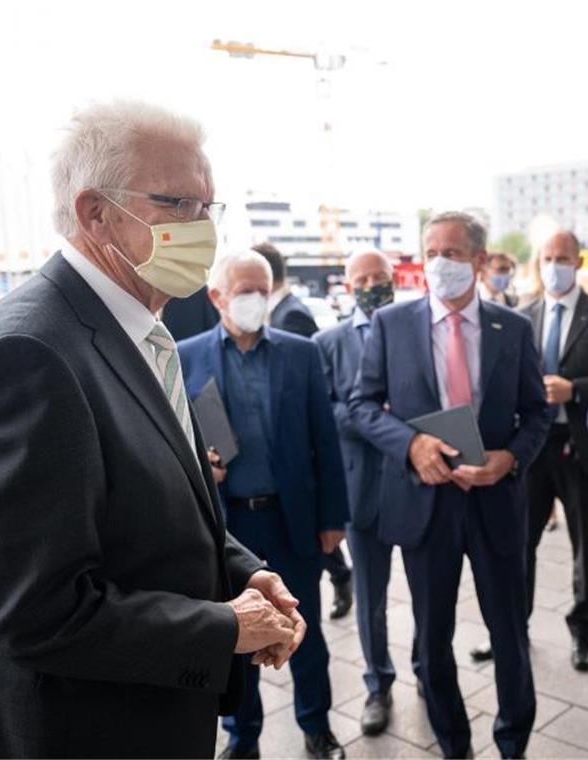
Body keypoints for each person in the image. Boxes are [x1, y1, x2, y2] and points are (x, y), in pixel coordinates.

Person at [0, 100, 305, 759]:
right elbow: (36, 613)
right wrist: (224, 629)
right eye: (178, 204)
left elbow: (152, 513)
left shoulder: (135, 329)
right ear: (94, 213)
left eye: (210, 209)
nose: (204, 231)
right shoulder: (29, 354)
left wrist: (243, 575)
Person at [350, 211, 548, 758]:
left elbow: (536, 414)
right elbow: (362, 405)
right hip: (424, 504)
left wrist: (510, 458)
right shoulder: (392, 324)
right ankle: (453, 743)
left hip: (496, 503)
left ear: (480, 262)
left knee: (509, 632)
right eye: (431, 251)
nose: (440, 263)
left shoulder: (515, 329)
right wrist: (410, 445)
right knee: (431, 640)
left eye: (453, 253)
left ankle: (513, 742)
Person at [178, 249, 350, 760]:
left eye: (262, 289)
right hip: (229, 528)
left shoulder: (300, 353)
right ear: (217, 297)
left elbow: (326, 438)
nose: (255, 300)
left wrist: (332, 520)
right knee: (237, 637)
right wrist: (201, 466)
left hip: (292, 519)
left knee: (307, 633)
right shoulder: (186, 356)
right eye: (244, 290)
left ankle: (316, 726)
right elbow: (176, 441)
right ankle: (243, 735)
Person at [315, 250, 413, 736]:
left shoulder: (416, 329)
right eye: (363, 279)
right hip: (360, 489)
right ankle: (378, 683)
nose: (373, 285)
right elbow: (324, 412)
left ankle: (430, 668)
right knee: (371, 595)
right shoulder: (327, 343)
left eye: (381, 277)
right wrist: (375, 416)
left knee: (429, 592)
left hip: (418, 484)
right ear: (348, 284)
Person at [519, 229, 588, 672]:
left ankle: (582, 631)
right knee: (521, 544)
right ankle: (514, 628)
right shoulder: (522, 318)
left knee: (585, 547)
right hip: (534, 450)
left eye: (562, 257)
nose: (554, 265)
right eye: (546, 257)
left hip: (582, 449)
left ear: (578, 262)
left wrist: (573, 390)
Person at [256, 241, 354, 620]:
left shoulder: (291, 316)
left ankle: (341, 575)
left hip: (295, 461)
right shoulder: (276, 309)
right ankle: (340, 572)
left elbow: (308, 404)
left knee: (312, 539)